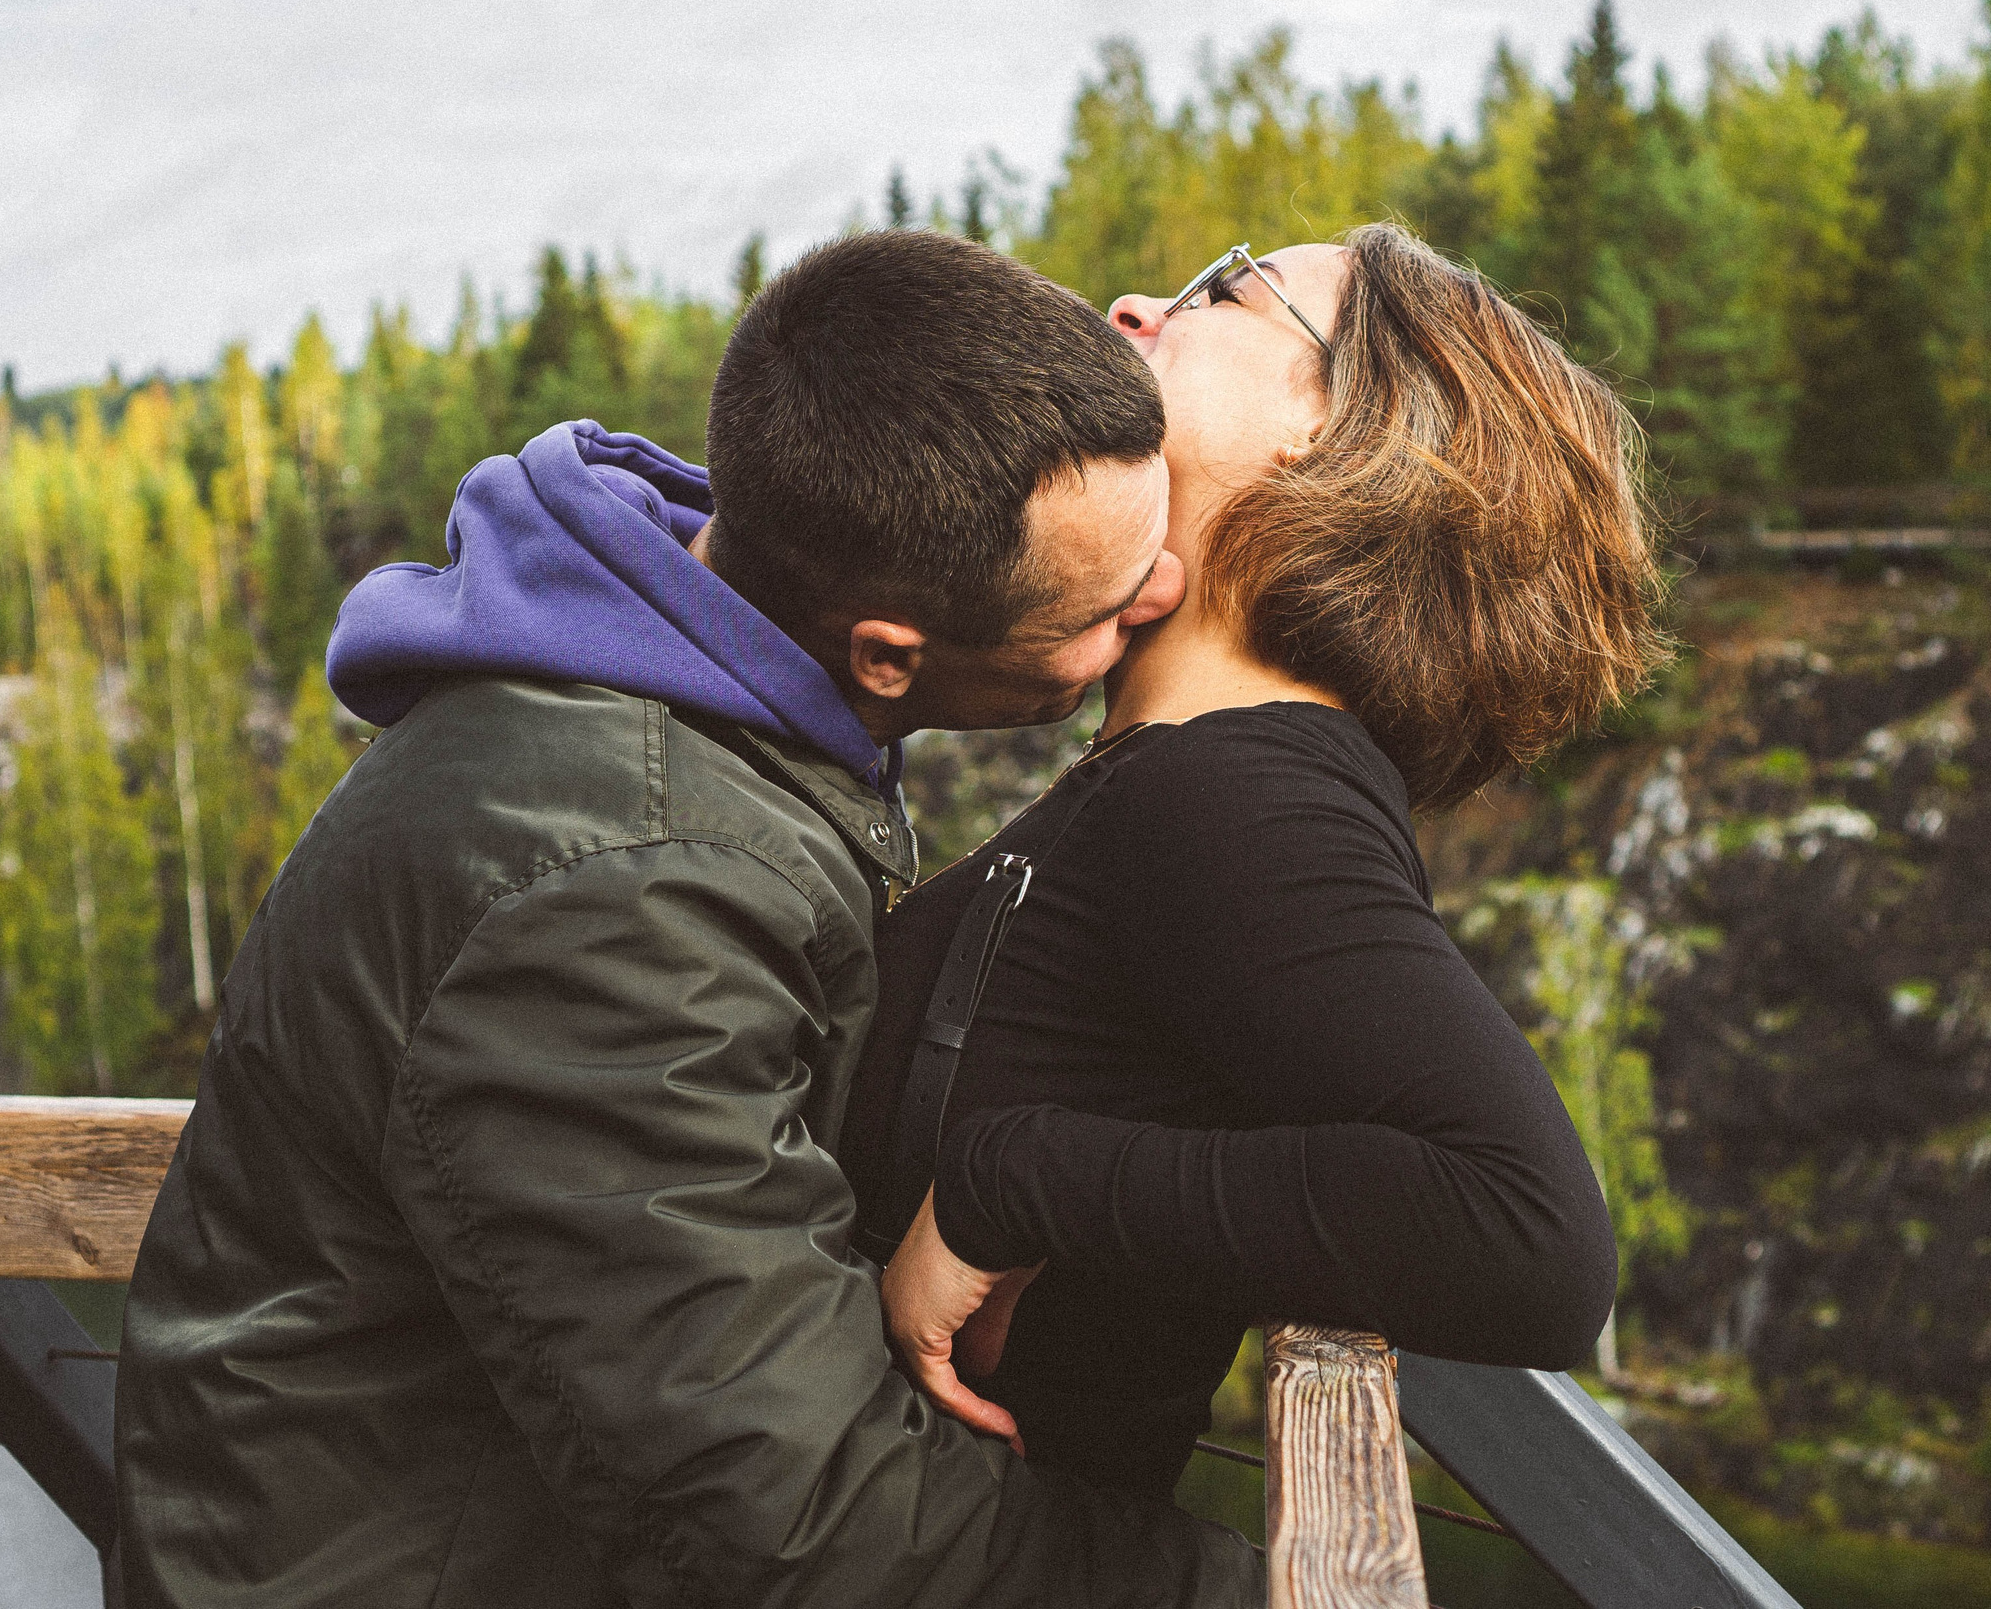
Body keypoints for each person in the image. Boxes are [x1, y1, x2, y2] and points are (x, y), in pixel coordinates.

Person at [112, 230, 1260, 1609]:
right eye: (1104, 603)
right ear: (890, 651)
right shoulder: (613, 893)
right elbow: (795, 1512)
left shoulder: (682, 685)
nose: (1165, 596)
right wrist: (1255, 1589)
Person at [843, 224, 1665, 1495]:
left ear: (1352, 430)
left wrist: (1014, 1180)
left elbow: (1527, 1242)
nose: (1129, 306)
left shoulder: (1238, 788)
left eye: (1225, 293)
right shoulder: (1188, 774)